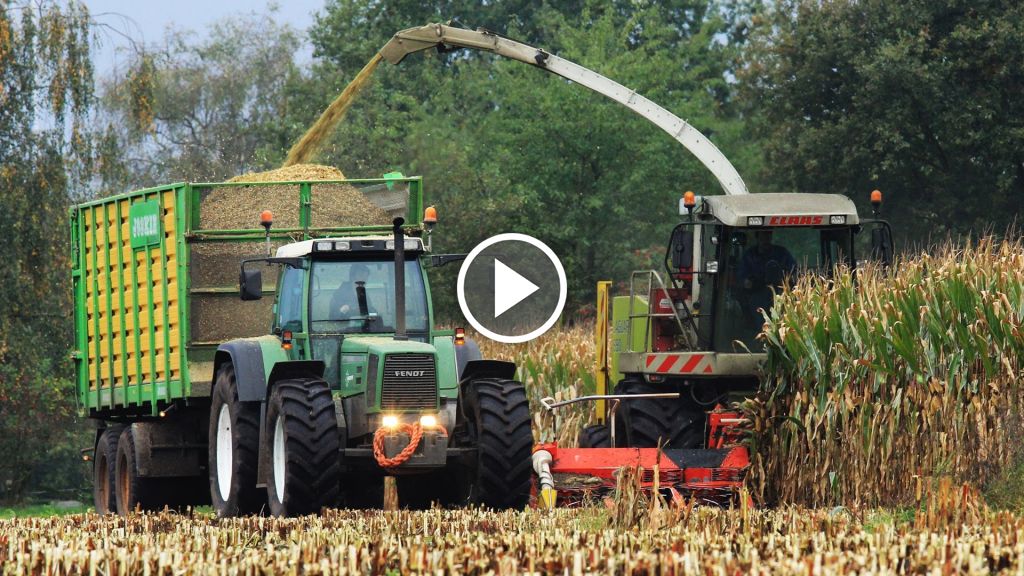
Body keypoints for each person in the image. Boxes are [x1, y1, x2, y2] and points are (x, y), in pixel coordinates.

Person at [737, 231, 796, 324]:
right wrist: (750, 282)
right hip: (756, 295)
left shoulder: (782, 253)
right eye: (763, 236)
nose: (766, 239)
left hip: (782, 294)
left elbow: (794, 272)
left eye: (768, 235)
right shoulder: (750, 256)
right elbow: (743, 279)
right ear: (757, 237)